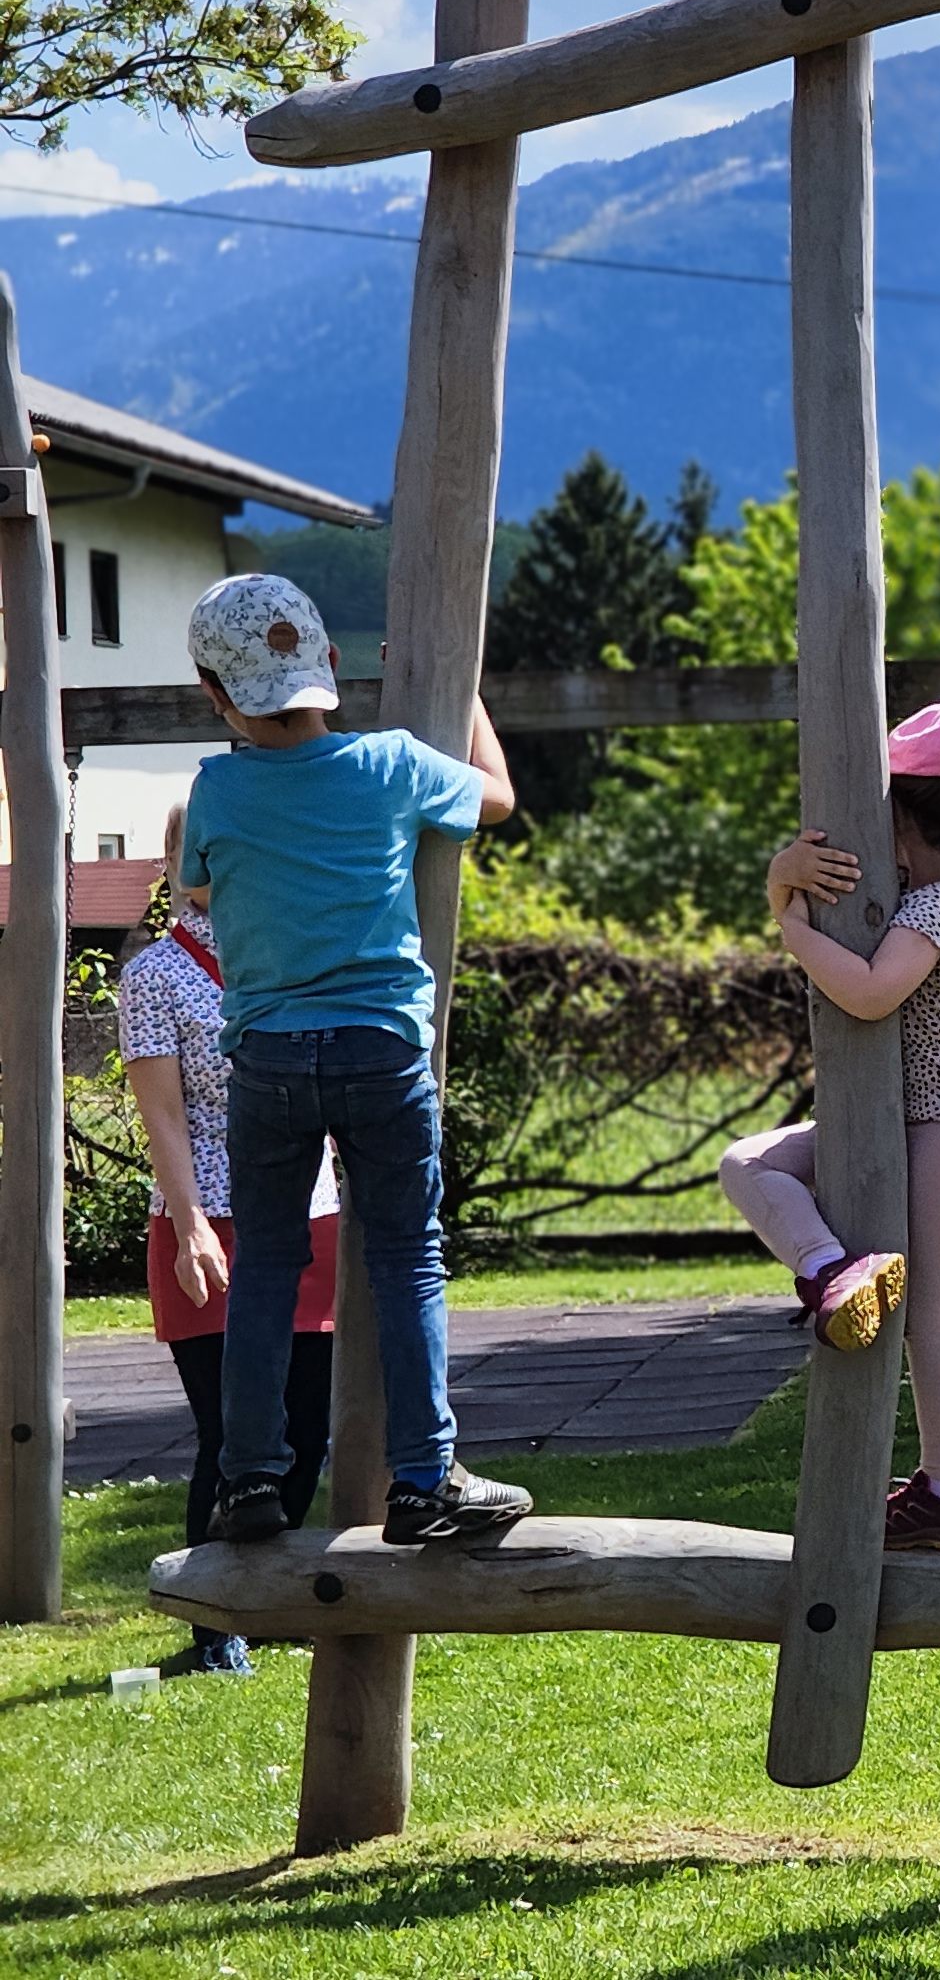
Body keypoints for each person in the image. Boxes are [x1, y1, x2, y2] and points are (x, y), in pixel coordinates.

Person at [179, 573, 530, 1546]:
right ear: (330, 665)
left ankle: (249, 1478)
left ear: (218, 694)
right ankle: (425, 1479)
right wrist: (467, 697)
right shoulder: (391, 764)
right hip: (382, 1046)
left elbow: (193, 882)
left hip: (268, 1061)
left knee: (265, 1270)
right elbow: (496, 798)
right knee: (407, 1258)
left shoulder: (216, 788)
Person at [718, 702, 940, 1554]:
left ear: (897, 819)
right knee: (748, 1162)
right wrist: (786, 871)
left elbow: (866, 991)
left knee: (931, 1307)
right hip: (904, 1125)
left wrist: (788, 922)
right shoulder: (919, 894)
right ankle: (830, 1272)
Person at [119, 809, 340, 1666]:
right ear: (172, 861)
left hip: (306, 1213)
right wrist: (186, 1228)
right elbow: (162, 1117)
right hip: (205, 1219)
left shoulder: (294, 952)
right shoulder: (158, 973)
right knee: (230, 1434)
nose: (207, 864)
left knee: (305, 1427)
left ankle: (269, 1601)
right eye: (191, 849)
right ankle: (213, 1626)